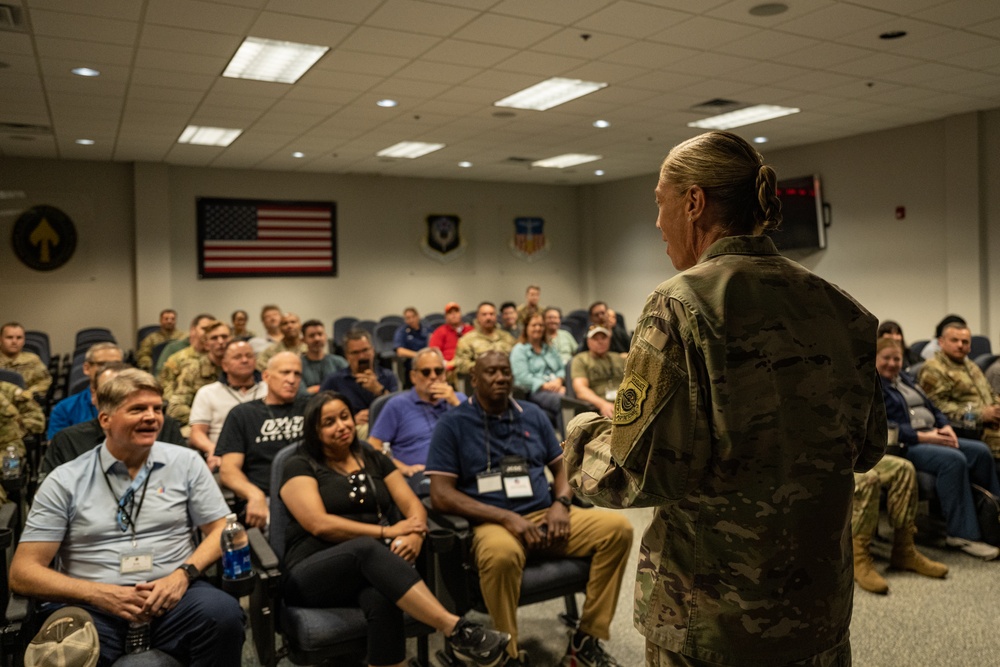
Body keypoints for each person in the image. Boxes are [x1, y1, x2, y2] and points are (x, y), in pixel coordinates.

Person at [562, 130, 885, 667]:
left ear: (693, 202)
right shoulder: (839, 307)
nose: (658, 222)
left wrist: (579, 437)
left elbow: (642, 470)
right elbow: (869, 448)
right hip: (817, 613)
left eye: (660, 203)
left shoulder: (680, 305)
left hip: (712, 618)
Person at [11, 368, 244, 666]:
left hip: (173, 595)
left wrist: (182, 575)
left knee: (222, 614)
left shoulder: (185, 463)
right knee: (65, 650)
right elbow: (23, 571)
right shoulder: (66, 480)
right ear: (105, 419)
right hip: (93, 605)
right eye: (137, 409)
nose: (152, 417)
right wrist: (99, 594)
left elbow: (224, 530)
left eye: (157, 409)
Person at [427, 351, 633, 667]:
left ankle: (585, 640)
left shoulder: (532, 414)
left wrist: (561, 504)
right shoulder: (452, 424)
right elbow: (441, 495)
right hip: (492, 522)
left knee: (618, 530)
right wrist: (506, 517)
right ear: (474, 379)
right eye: (491, 372)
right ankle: (506, 655)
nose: (500, 378)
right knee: (501, 554)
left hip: (545, 514)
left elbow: (562, 467)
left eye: (505, 372)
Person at [279, 391, 511, 667]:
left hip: (367, 568)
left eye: (344, 417)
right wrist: (388, 533)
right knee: (365, 548)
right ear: (314, 431)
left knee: (383, 598)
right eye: (329, 422)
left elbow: (412, 504)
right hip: (310, 571)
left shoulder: (372, 456)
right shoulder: (299, 463)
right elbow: (318, 523)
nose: (341, 426)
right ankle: (455, 628)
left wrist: (414, 533)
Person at [878, 338, 1000, 559]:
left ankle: (993, 522)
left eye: (896, 358)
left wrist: (945, 427)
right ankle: (963, 534)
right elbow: (885, 427)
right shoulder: (874, 387)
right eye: (886, 358)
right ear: (874, 359)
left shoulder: (905, 379)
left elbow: (933, 407)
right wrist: (924, 436)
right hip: (907, 445)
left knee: (981, 452)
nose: (892, 363)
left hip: (935, 434)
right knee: (953, 459)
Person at [41, 363, 186, 477]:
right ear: (94, 395)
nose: (150, 417)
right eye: (110, 390)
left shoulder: (167, 426)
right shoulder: (68, 440)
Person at [218, 352, 308, 529]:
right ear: (266, 376)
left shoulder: (312, 407)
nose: (292, 379)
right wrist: (254, 494)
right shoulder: (243, 414)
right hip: (269, 498)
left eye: (297, 374)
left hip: (311, 493)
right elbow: (228, 470)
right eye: (285, 372)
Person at [851, 453, 948, 593]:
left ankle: (904, 550)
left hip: (854, 453)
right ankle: (858, 559)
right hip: (825, 460)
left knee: (904, 469)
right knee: (869, 479)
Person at [368, 348, 465, 483]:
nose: (433, 376)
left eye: (438, 371)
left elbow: (480, 436)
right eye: (426, 372)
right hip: (420, 477)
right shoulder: (397, 405)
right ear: (413, 377)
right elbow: (373, 446)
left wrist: (455, 404)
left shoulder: (459, 400)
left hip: (461, 471)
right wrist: (402, 468)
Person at [918, 322, 1000, 457]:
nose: (960, 345)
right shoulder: (933, 369)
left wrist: (996, 408)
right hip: (970, 430)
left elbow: (990, 394)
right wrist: (980, 415)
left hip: (992, 426)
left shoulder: (971, 366)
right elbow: (938, 408)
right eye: (954, 340)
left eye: (965, 342)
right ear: (941, 342)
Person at [188, 340, 267, 472]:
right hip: (224, 457)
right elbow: (197, 432)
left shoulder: (269, 389)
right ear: (224, 365)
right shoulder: (207, 392)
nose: (244, 360)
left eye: (249, 356)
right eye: (237, 357)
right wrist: (212, 449)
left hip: (263, 455)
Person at [320, 330, 398, 431]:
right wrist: (351, 420)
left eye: (365, 350)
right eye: (355, 353)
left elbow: (399, 410)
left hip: (386, 428)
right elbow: (320, 414)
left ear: (373, 351)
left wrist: (379, 390)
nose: (361, 356)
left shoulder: (388, 376)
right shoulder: (334, 381)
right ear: (347, 356)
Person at [47, 342, 124, 439]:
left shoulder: (138, 405)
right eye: (102, 364)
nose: (108, 369)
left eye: (116, 365)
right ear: (86, 368)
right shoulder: (64, 409)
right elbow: (58, 449)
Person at [167, 320, 232, 426]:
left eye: (224, 337)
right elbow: (175, 407)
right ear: (206, 344)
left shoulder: (242, 368)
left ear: (231, 340)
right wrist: (202, 421)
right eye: (214, 338)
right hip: (201, 425)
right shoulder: (193, 369)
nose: (220, 342)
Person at [509, 312, 565, 429]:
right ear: (526, 328)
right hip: (535, 391)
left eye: (541, 325)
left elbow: (561, 368)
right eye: (534, 325)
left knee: (576, 399)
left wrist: (559, 381)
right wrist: (546, 386)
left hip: (556, 386)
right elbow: (521, 377)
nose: (538, 328)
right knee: (564, 403)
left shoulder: (549, 347)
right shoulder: (519, 350)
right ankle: (568, 444)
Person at [570, 326, 625, 420]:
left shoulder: (619, 358)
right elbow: (581, 390)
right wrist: (602, 404)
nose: (600, 341)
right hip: (600, 407)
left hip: (626, 403)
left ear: (609, 340)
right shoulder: (580, 360)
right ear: (588, 341)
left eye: (604, 338)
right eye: (595, 338)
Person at [157, 313, 214, 395]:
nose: (208, 333)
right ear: (193, 330)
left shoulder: (219, 356)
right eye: (204, 329)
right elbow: (163, 382)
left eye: (212, 330)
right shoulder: (176, 352)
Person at [454, 302, 516, 376]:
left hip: (506, 379)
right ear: (478, 317)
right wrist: (484, 368)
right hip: (479, 381)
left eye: (491, 314)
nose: (488, 317)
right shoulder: (467, 340)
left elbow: (516, 359)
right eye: (484, 314)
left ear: (496, 316)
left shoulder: (507, 337)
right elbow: (461, 364)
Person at [0, 322, 51, 399]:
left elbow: (44, 382)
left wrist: (29, 392)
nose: (14, 341)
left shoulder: (33, 360)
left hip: (25, 403)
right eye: (9, 337)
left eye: (19, 338)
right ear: (1, 339)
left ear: (24, 340)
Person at [299, 320, 347, 394]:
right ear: (303, 340)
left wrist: (314, 389)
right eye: (312, 336)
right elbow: (301, 395)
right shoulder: (298, 365)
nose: (317, 339)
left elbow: (348, 388)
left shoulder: (339, 362)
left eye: (320, 334)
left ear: (325, 336)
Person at [428, 302, 473, 372]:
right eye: (450, 313)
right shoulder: (440, 331)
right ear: (446, 317)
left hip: (469, 365)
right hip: (448, 368)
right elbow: (434, 353)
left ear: (460, 314)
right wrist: (446, 364)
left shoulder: (470, 330)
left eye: (456, 311)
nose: (454, 314)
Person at [393, 307, 430, 383]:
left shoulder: (427, 329)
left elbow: (434, 342)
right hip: (412, 363)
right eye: (408, 318)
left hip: (428, 362)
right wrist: (419, 356)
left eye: (413, 317)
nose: (411, 320)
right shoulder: (402, 331)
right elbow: (400, 351)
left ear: (418, 316)